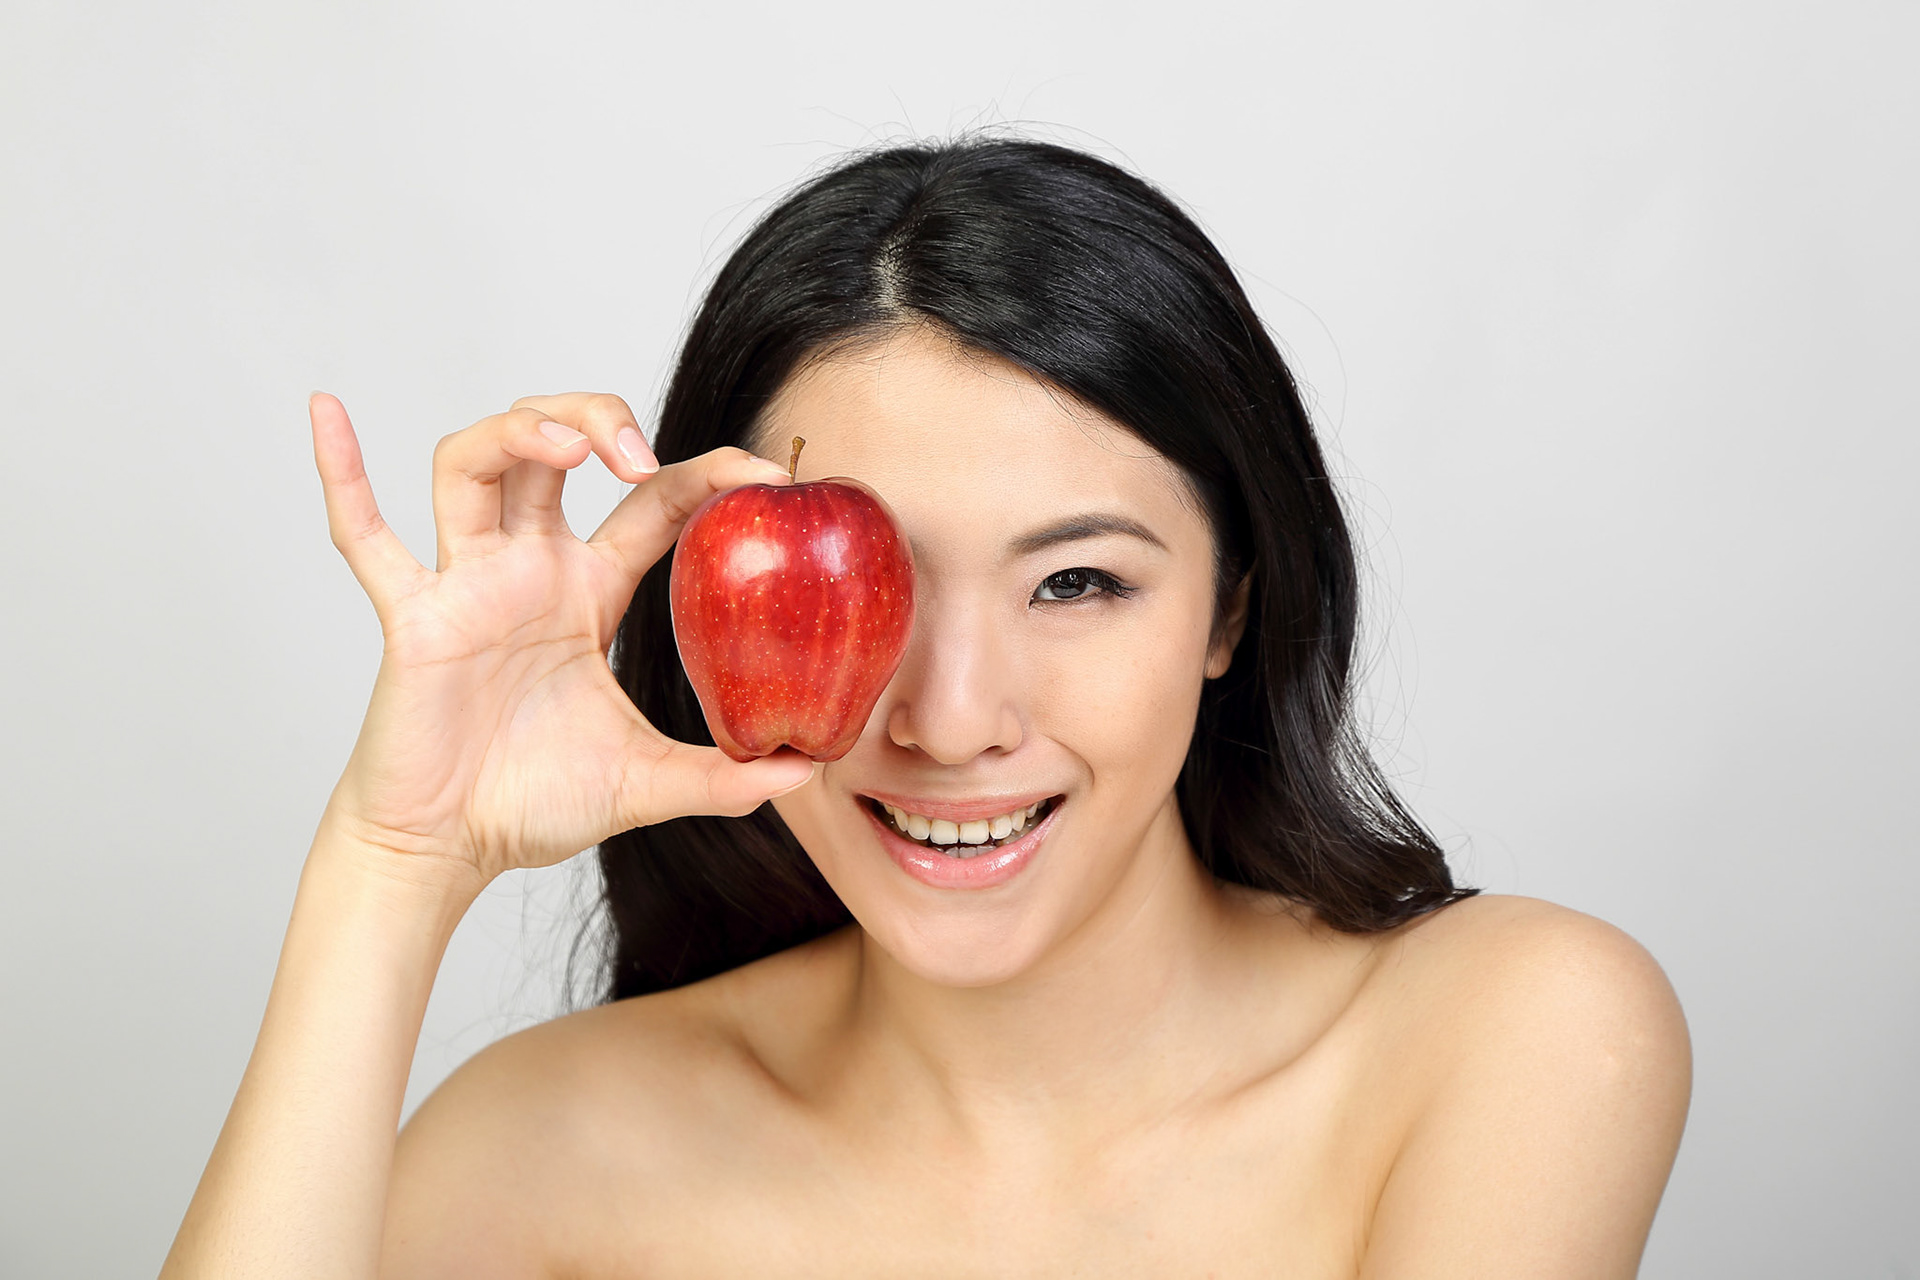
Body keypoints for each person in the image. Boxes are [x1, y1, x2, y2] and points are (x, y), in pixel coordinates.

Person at [162, 137, 1691, 1277]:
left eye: (1077, 582)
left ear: (1232, 608)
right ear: (705, 615)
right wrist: (396, 861)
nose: (953, 721)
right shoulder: (547, 1148)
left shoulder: (1510, 1033)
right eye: (870, 584)